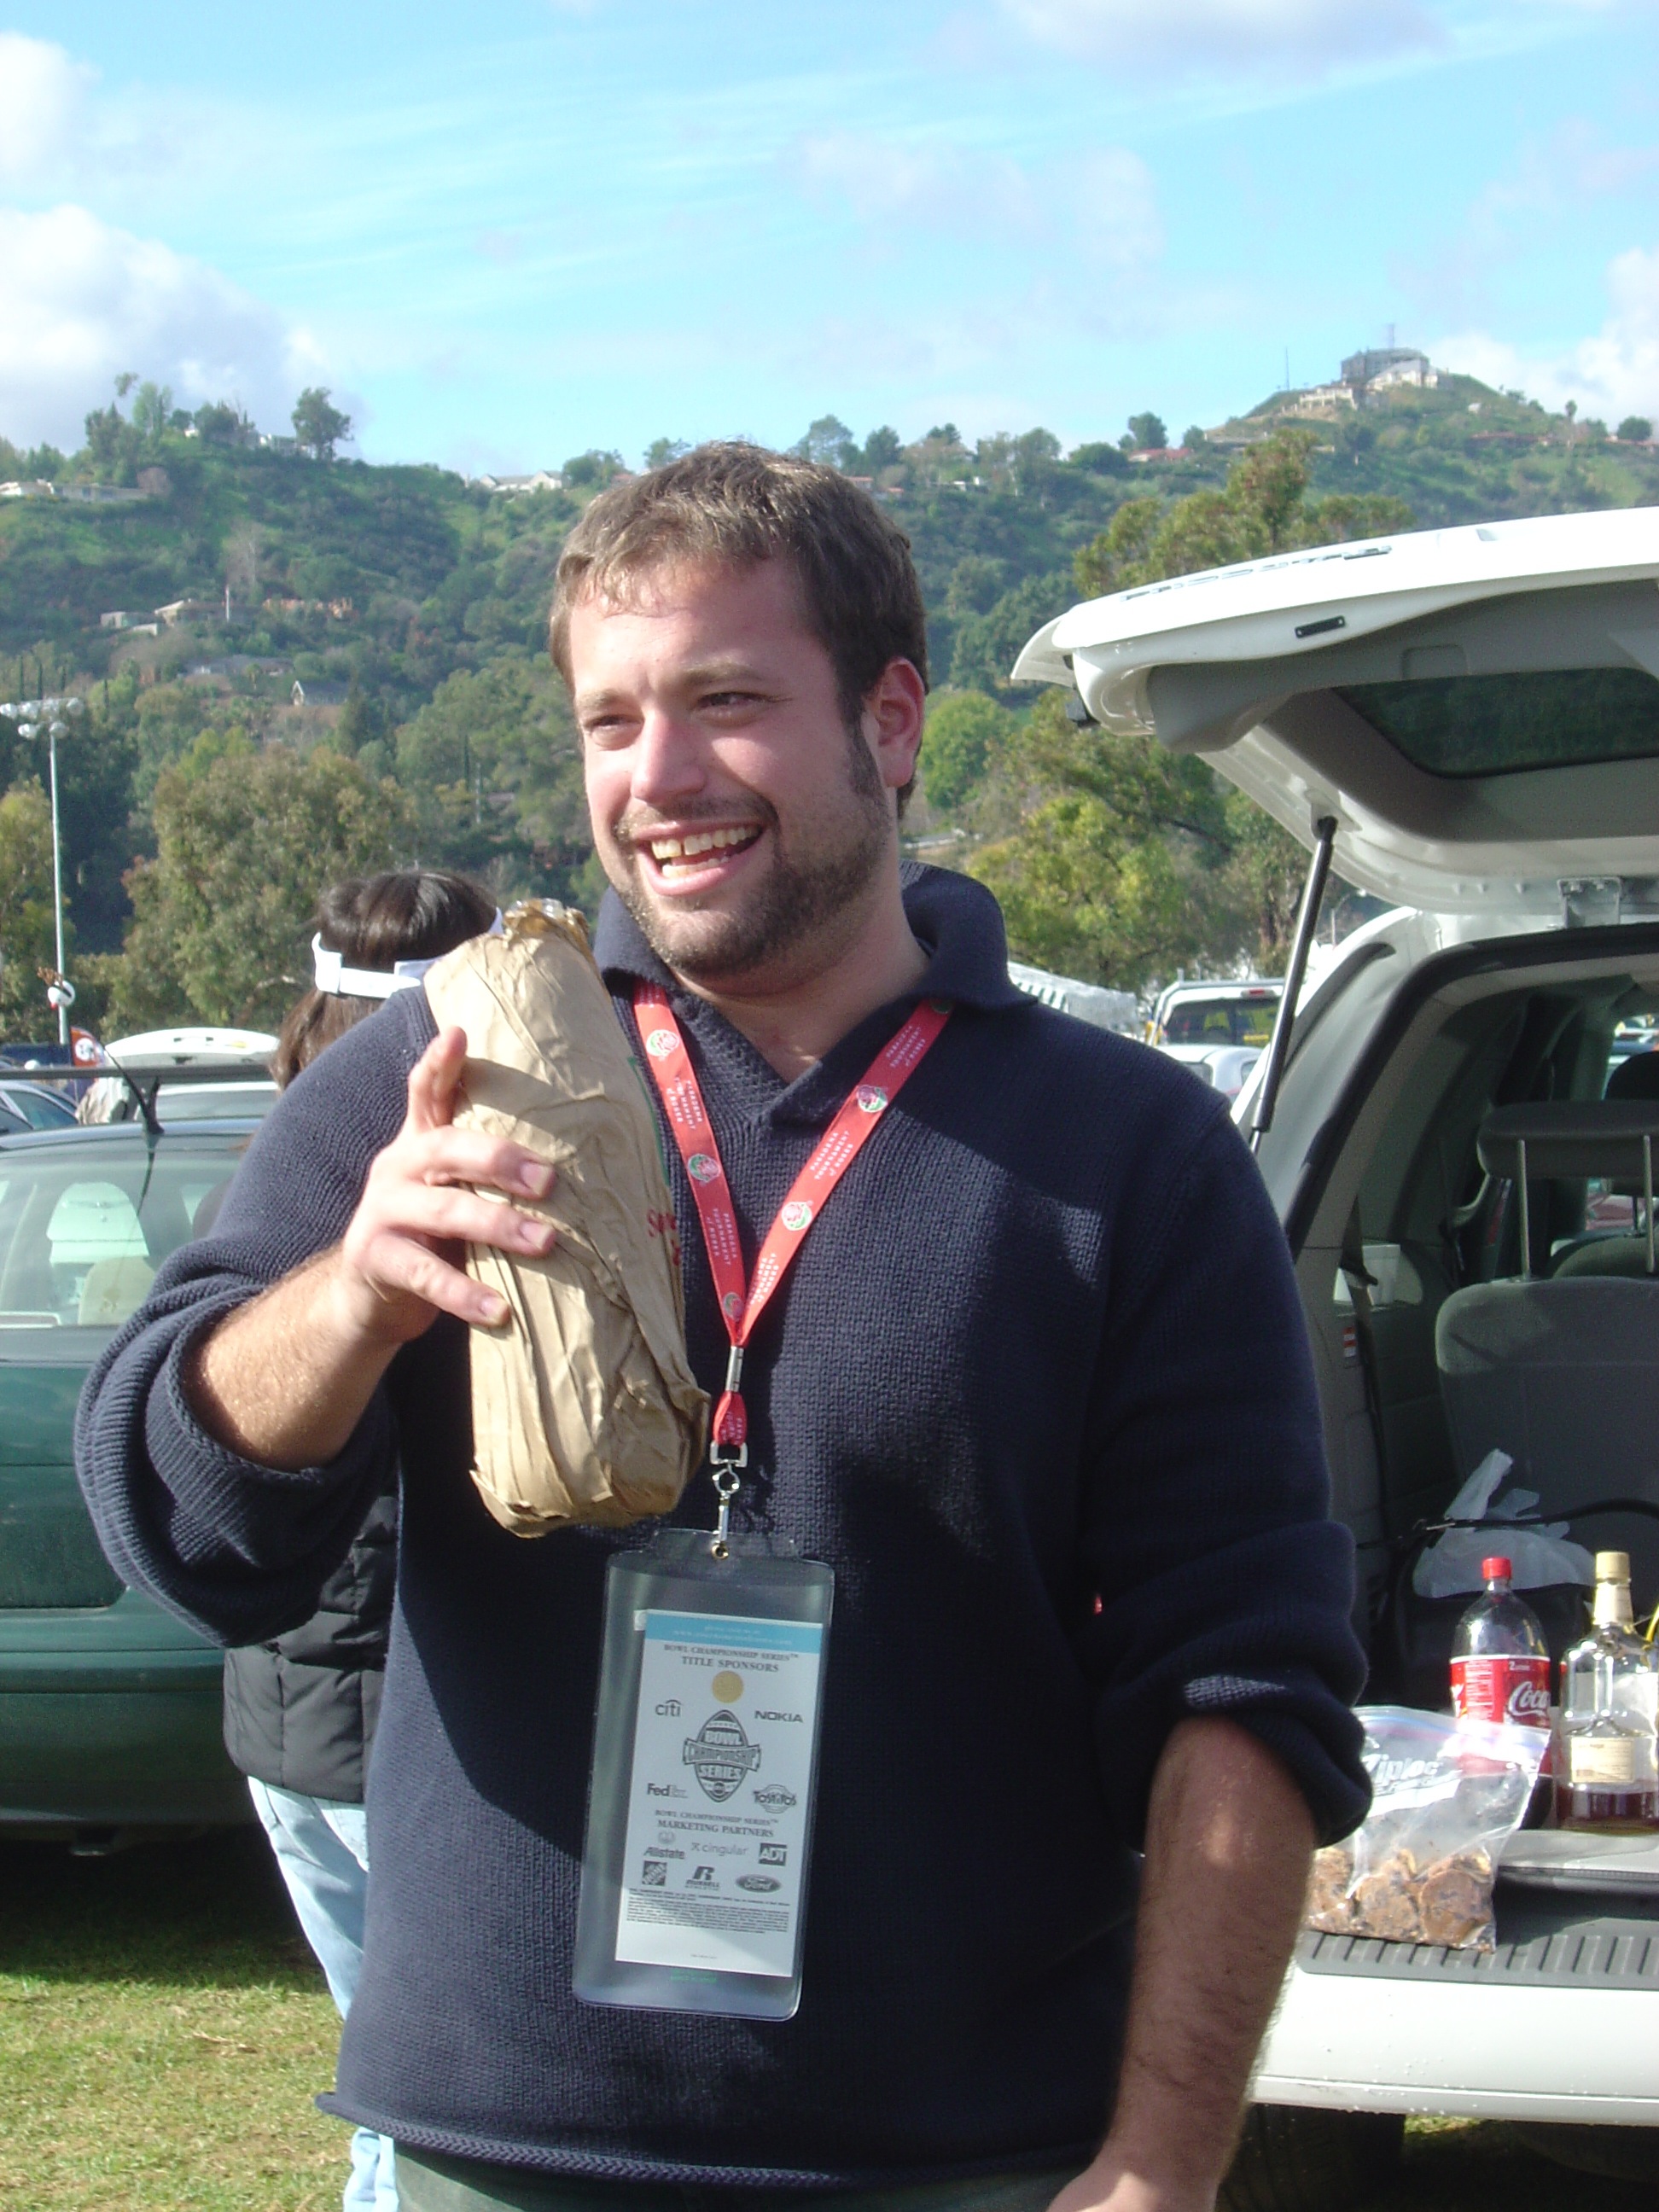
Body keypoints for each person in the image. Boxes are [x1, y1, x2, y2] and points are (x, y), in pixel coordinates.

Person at [78, 445, 1369, 2212]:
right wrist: (353, 1295)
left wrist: (1162, 2156)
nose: (660, 776)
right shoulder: (437, 1073)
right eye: (610, 722)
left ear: (891, 721)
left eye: (726, 703)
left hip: (971, 2164)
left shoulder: (1131, 1150)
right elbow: (181, 1521)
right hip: (504, 2156)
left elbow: (1244, 1686)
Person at [222, 870, 498, 2212]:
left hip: (279, 1723)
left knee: (383, 2097)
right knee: (429, 2120)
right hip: (400, 1733)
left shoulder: (263, 1179)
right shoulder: (425, 1204)